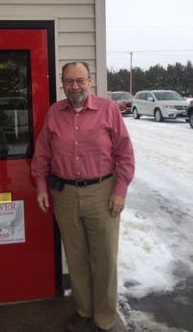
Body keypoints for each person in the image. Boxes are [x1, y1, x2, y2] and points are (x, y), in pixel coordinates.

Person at [31, 62, 135, 332]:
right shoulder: (54, 113)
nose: (74, 86)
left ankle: (104, 318)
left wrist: (120, 190)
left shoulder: (108, 109)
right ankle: (84, 309)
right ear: (62, 83)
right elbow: (42, 153)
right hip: (64, 194)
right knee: (75, 256)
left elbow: (124, 153)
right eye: (69, 81)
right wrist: (41, 186)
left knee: (104, 257)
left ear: (90, 81)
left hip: (102, 193)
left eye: (80, 80)